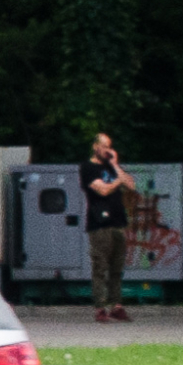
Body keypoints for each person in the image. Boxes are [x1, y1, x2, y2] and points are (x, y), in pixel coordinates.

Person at [80, 133, 132, 323]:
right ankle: (100, 307)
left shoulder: (112, 167)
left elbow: (131, 185)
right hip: (100, 224)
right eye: (104, 146)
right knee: (100, 266)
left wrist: (116, 166)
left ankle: (117, 305)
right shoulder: (88, 168)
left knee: (117, 267)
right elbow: (103, 189)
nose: (107, 151)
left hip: (118, 222)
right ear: (95, 147)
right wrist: (119, 180)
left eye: (109, 147)